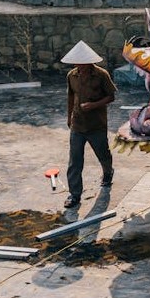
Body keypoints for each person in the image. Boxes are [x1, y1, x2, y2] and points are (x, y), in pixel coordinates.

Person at [62, 40, 116, 209]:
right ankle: (74, 194)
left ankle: (108, 172)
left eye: (83, 63)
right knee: (75, 161)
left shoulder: (101, 75)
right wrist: (69, 117)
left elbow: (111, 96)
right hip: (78, 124)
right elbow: (71, 96)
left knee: (103, 154)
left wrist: (93, 105)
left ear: (89, 62)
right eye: (77, 63)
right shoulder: (72, 75)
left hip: (96, 124)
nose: (80, 66)